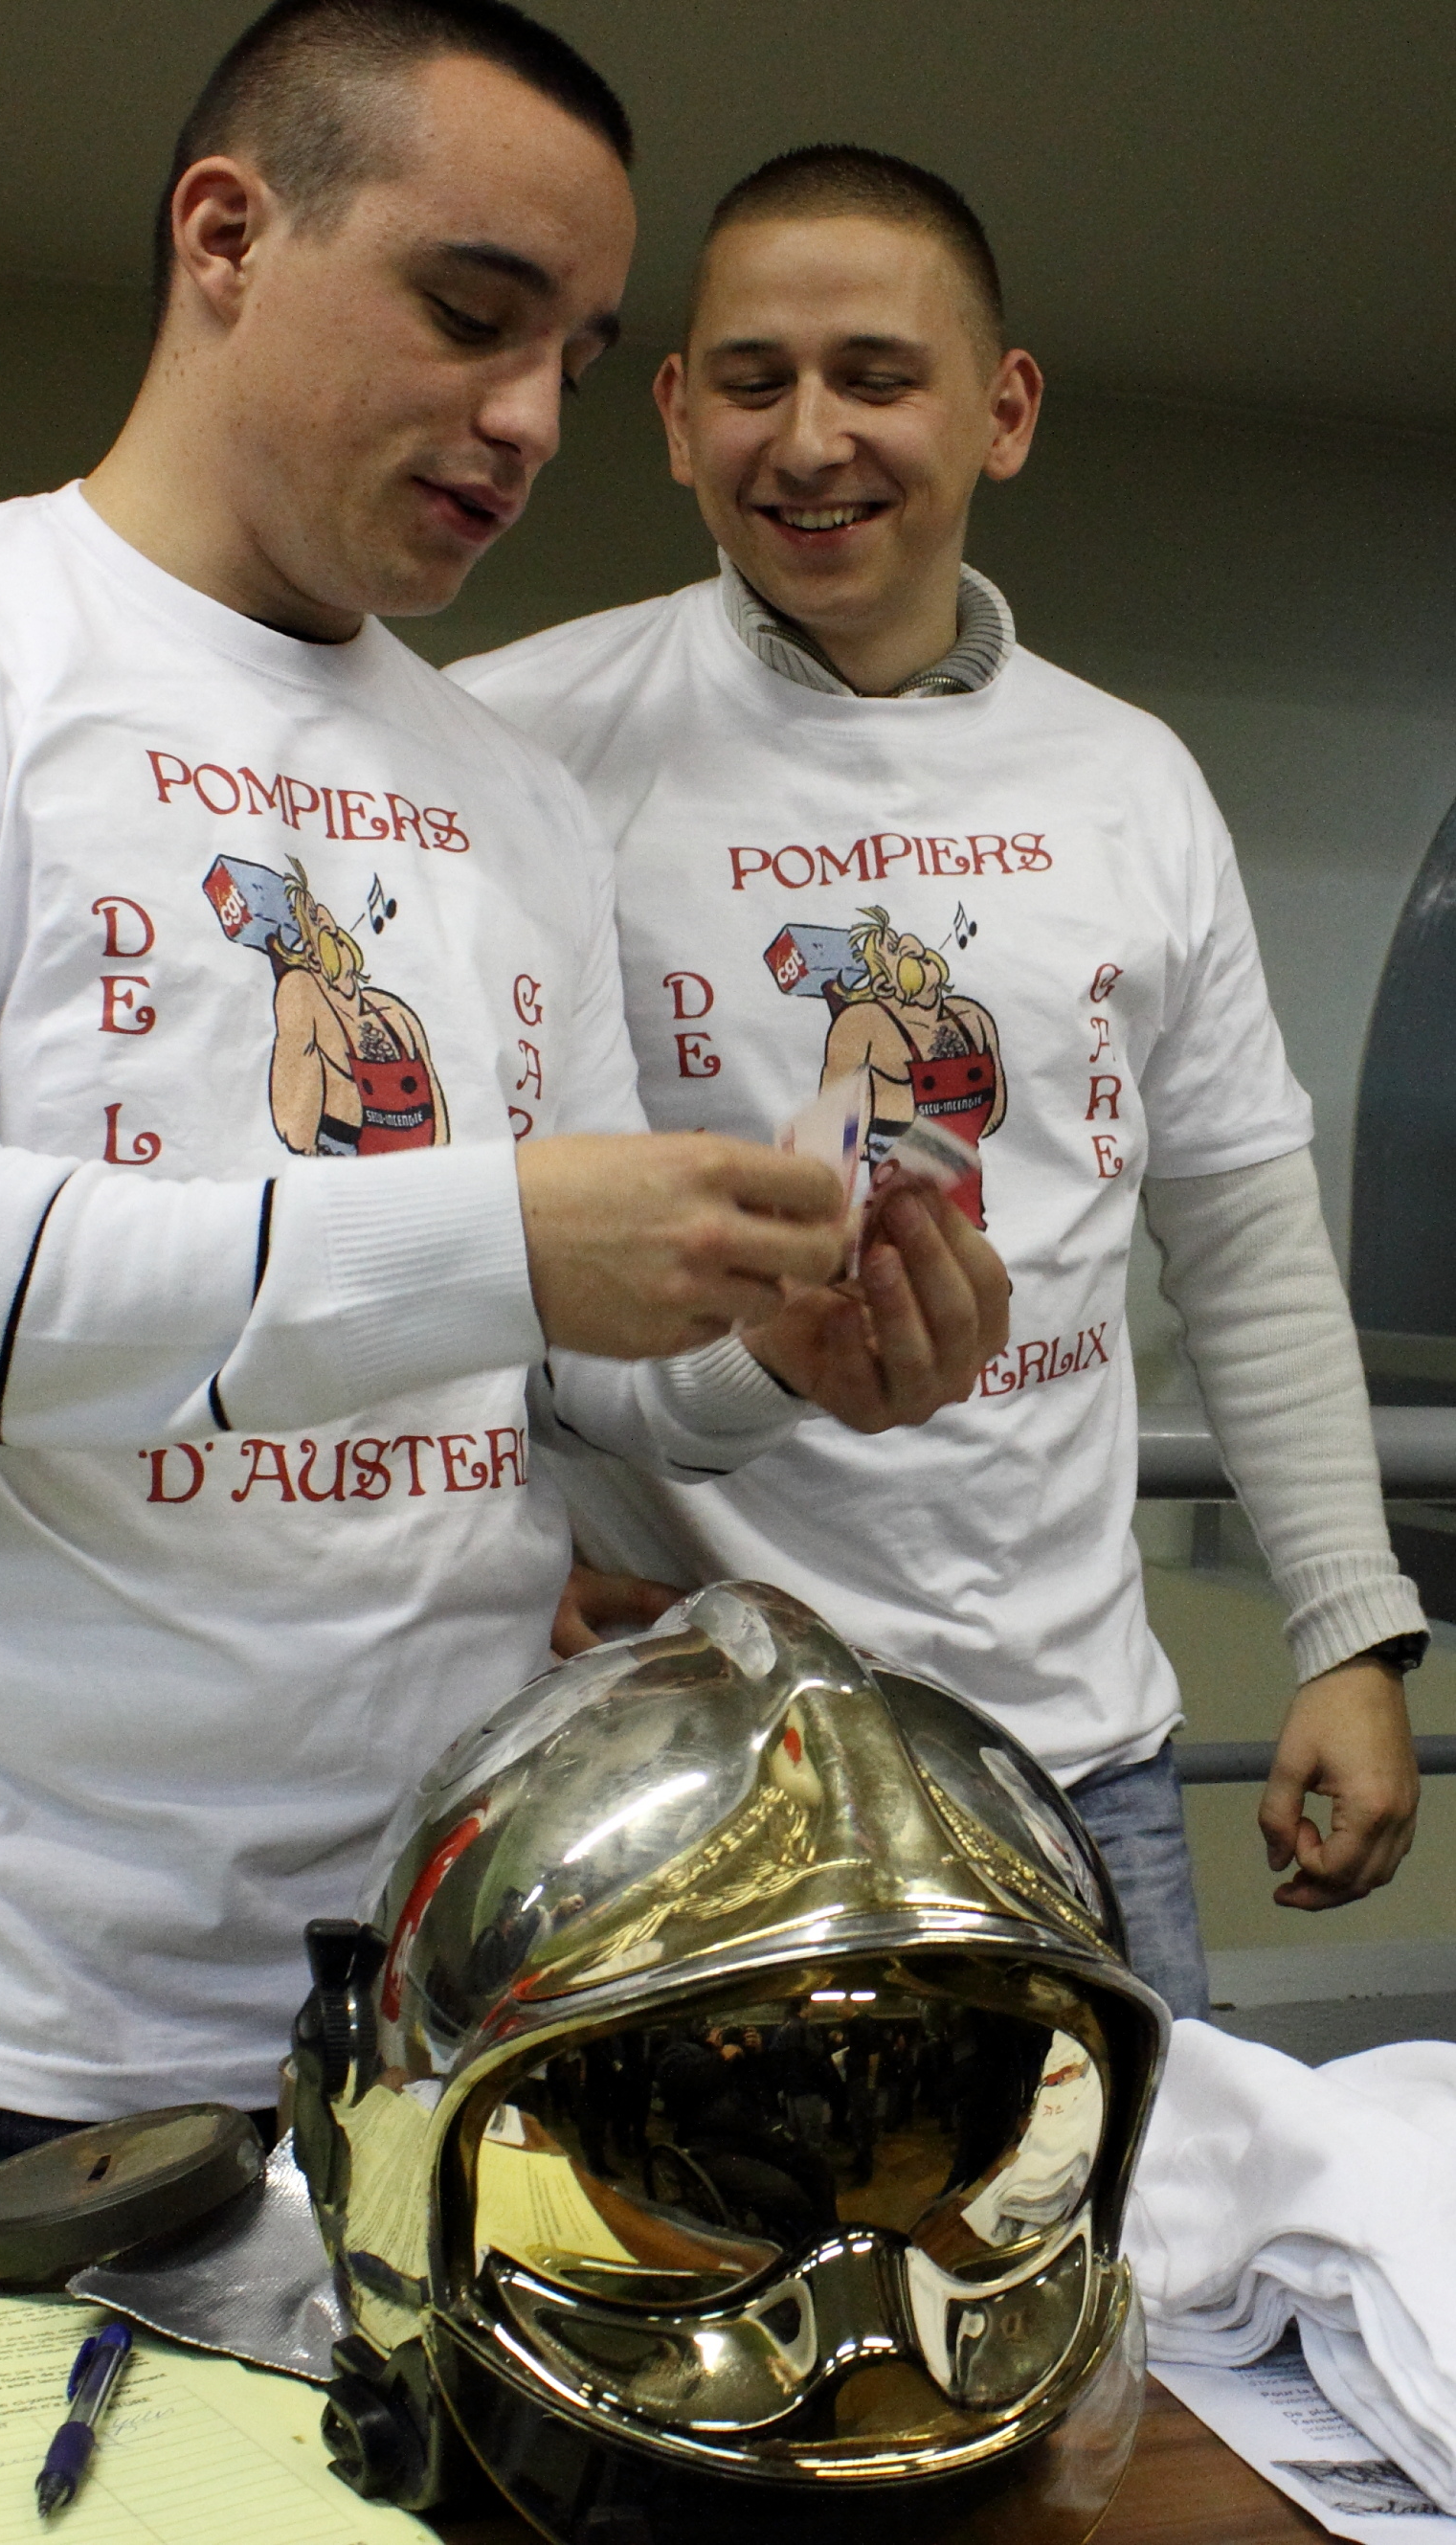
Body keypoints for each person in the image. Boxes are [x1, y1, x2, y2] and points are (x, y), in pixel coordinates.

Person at [0, 30, 1010, 2193]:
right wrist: (508, 1232)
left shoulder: (509, 790)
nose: (530, 419)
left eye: (573, 354)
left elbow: (562, 1375)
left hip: (464, 1994)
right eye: (469, 313)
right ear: (228, 235)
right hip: (12, 2025)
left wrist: (762, 1356)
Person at [452, 145, 1428, 2017]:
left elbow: (1241, 1234)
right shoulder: (515, 740)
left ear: (1004, 410)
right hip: (681, 1762)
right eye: (755, 380)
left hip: (1074, 1754)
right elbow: (436, 1227)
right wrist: (481, 1562)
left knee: (1120, 2202)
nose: (810, 437)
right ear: (676, 417)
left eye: (877, 377)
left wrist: (1347, 1627)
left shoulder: (1133, 782)